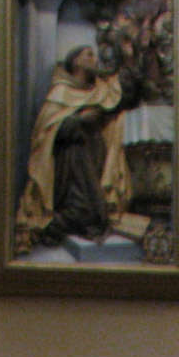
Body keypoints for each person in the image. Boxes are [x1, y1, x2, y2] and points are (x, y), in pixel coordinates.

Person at [13, 45, 136, 252]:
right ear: (76, 61)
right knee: (87, 212)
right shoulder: (61, 92)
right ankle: (52, 227)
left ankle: (63, 224)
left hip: (94, 160)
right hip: (70, 164)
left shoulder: (100, 89)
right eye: (89, 54)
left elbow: (122, 98)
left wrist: (128, 59)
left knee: (96, 213)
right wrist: (79, 120)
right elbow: (47, 133)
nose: (95, 58)